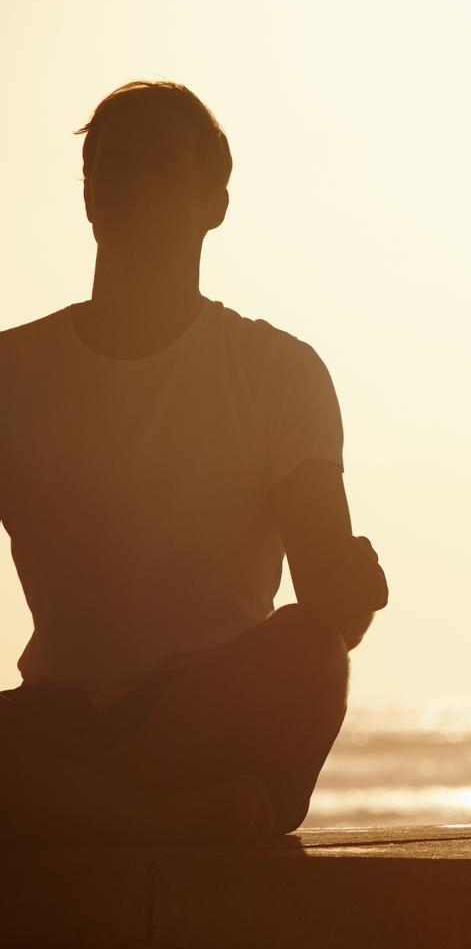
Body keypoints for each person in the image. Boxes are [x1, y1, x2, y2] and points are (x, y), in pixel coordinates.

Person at [0, 81, 387, 843]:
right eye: (118, 167)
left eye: (164, 168)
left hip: (215, 709)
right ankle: (141, 817)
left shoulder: (277, 371)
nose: (136, 185)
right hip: (63, 715)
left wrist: (353, 592)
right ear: (88, 196)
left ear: (216, 202)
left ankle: (83, 812)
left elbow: (325, 608)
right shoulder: (13, 372)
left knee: (308, 655)